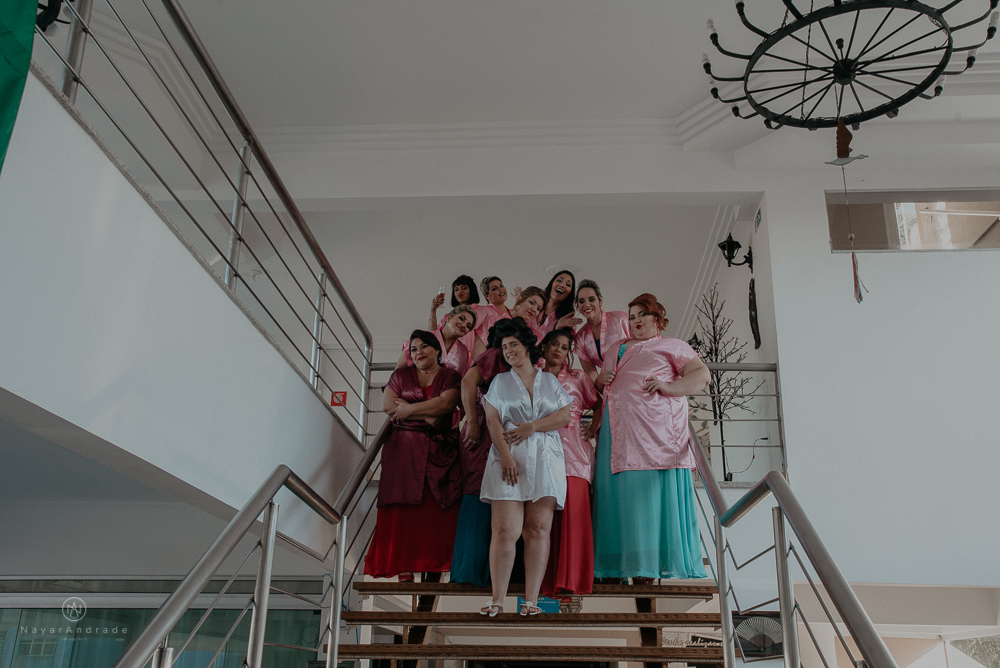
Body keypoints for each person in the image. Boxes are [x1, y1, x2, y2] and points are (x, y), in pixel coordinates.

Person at [592, 294, 711, 583]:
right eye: (632, 317)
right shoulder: (614, 348)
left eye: (642, 314)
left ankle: (648, 566)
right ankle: (614, 565)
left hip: (653, 433)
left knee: (646, 500)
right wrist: (600, 380)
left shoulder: (672, 346)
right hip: (615, 430)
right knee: (615, 498)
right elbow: (601, 384)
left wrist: (669, 387)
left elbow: (702, 375)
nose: (635, 321)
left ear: (657, 318)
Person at [478, 318, 572, 617]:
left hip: (546, 458)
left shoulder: (550, 381)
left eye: (514, 344)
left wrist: (533, 426)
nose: (508, 351)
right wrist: (505, 455)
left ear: (527, 346)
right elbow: (492, 420)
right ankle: (497, 599)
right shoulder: (499, 382)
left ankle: (531, 600)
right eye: (504, 347)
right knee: (505, 530)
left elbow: (565, 416)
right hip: (508, 458)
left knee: (538, 529)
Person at [364, 331, 463, 582]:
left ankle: (437, 562)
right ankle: (403, 566)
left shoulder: (451, 376)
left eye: (424, 347)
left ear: (437, 350)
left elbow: (446, 404)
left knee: (436, 508)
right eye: (414, 350)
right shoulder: (400, 375)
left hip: (441, 451)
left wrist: (408, 410)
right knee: (402, 507)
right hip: (403, 451)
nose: (419, 353)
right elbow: (388, 405)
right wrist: (427, 415)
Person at [538, 328, 601, 599]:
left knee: (574, 515)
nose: (559, 350)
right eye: (554, 344)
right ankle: (545, 582)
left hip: (574, 450)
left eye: (564, 347)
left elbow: (599, 403)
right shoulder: (532, 375)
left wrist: (592, 428)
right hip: (539, 449)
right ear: (544, 346)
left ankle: (573, 580)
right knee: (544, 520)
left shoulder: (578, 377)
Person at [449, 321, 513, 587]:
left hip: (497, 431)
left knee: (492, 498)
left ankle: (484, 572)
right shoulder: (494, 355)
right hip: (482, 434)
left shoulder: (512, 358)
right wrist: (473, 423)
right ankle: (471, 571)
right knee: (478, 496)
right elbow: (468, 381)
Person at [574, 279, 630, 382]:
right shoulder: (580, 338)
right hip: (610, 385)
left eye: (591, 299)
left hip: (636, 377)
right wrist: (602, 382)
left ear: (600, 301)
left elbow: (643, 346)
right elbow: (593, 377)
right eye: (581, 301)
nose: (587, 304)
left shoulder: (621, 319)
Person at [398, 304, 476, 377]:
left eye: (468, 326)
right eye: (461, 319)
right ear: (449, 317)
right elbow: (398, 374)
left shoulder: (464, 352)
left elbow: (462, 380)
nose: (463, 325)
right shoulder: (423, 337)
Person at [471, 286, 548, 360]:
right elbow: (478, 355)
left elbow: (539, 364)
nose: (534, 309)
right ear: (520, 300)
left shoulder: (536, 336)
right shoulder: (493, 320)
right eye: (531, 303)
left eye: (538, 308)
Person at [537, 270, 582, 336]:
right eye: (559, 280)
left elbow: (566, 341)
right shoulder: (534, 305)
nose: (562, 285)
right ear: (552, 283)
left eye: (568, 284)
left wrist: (558, 328)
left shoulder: (569, 319)